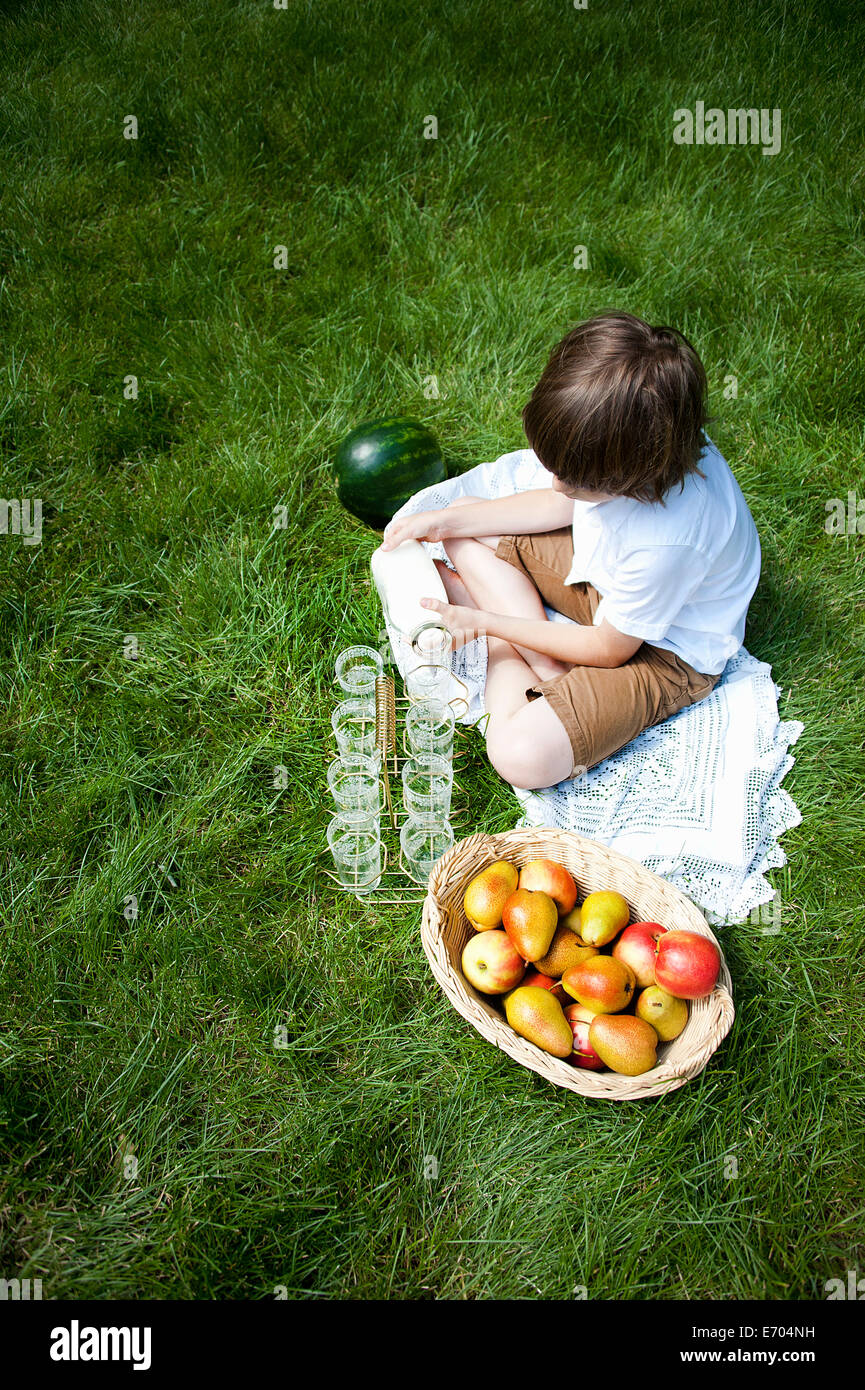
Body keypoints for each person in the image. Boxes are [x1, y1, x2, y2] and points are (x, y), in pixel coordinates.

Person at [380, 312, 761, 791]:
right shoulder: (652, 442)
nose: (558, 484)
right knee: (465, 520)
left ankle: (507, 652)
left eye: (577, 480)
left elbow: (608, 648)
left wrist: (486, 626)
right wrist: (444, 520)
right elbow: (558, 502)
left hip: (665, 652)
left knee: (520, 756)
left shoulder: (669, 539)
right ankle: (545, 664)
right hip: (612, 585)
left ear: (629, 476)